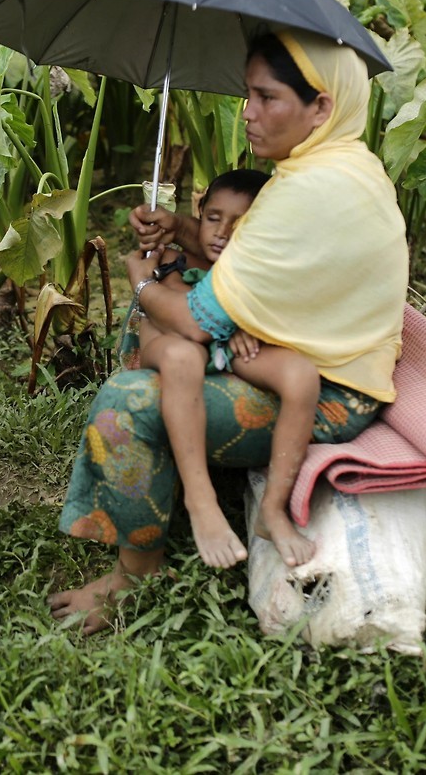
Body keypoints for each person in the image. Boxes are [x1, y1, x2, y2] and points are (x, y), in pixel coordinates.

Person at [49, 29, 409, 633]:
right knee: (159, 330)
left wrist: (139, 278)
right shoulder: (342, 162)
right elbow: (241, 255)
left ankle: (134, 576)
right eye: (248, 95)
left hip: (330, 392)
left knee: (130, 399)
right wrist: (182, 229)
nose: (249, 113)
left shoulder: (308, 193)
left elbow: (195, 319)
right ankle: (174, 473)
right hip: (320, 354)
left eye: (268, 98)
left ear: (321, 105)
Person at [126, 168, 322, 570]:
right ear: (200, 212)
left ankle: (273, 509)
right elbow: (184, 319)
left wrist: (236, 325)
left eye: (241, 223)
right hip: (172, 341)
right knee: (185, 358)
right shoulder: (171, 255)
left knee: (300, 376)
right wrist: (221, 323)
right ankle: (201, 501)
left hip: (226, 344)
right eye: (213, 218)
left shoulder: (254, 264)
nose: (223, 232)